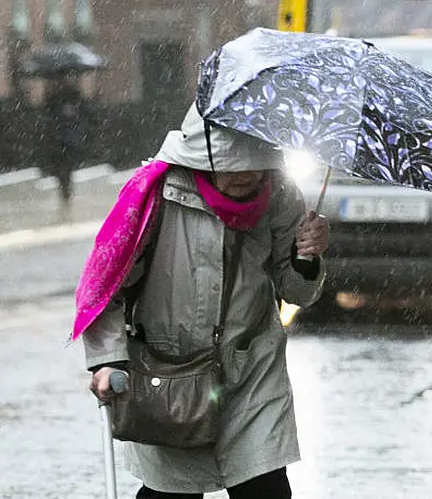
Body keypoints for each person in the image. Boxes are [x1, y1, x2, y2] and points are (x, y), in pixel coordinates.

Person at [75, 102, 330, 498]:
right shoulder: (155, 194)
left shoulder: (278, 194)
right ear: (204, 157)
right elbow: (107, 284)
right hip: (170, 373)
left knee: (266, 489)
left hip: (251, 372)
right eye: (236, 165)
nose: (250, 175)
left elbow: (296, 292)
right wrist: (108, 360)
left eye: (258, 164)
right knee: (170, 493)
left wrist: (306, 258)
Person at [45, 73, 87, 207]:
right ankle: (65, 191)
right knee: (63, 168)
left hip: (65, 139)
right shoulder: (57, 98)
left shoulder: (70, 97)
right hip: (62, 140)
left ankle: (66, 191)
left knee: (65, 168)